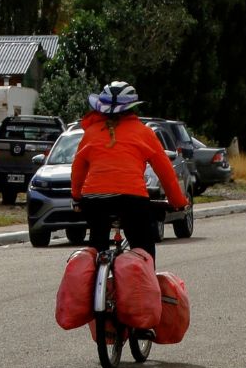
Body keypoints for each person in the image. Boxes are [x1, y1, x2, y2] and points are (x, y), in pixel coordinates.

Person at [69, 80, 188, 260]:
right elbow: (165, 173)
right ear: (133, 108)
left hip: (94, 200)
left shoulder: (91, 133)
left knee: (96, 247)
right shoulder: (145, 133)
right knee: (143, 250)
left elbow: (78, 169)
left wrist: (77, 197)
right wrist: (177, 201)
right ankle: (143, 284)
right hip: (132, 199)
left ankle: (94, 283)